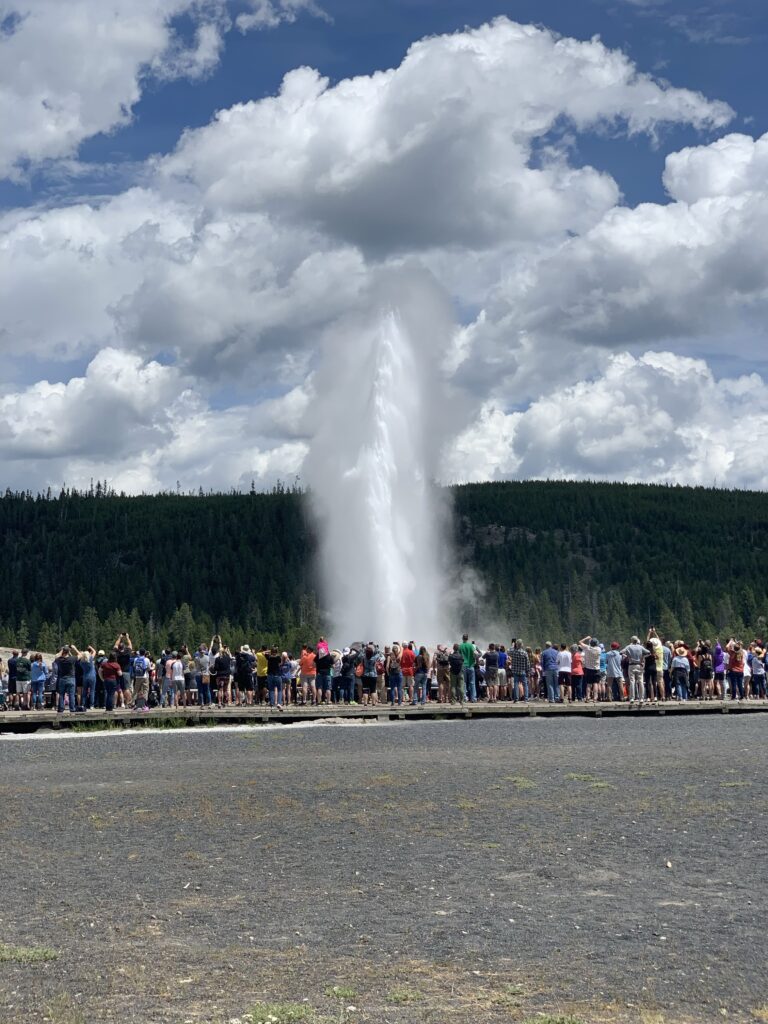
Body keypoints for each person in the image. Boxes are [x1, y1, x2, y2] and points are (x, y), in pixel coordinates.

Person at [620, 636, 652, 706]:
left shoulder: (628, 646)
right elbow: (649, 652)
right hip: (639, 665)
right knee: (640, 682)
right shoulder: (640, 647)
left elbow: (621, 652)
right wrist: (643, 657)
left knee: (632, 682)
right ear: (637, 640)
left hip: (631, 665)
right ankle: (641, 698)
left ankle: (632, 698)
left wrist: (627, 656)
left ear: (631, 640)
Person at [54, 644, 81, 713]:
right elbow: (80, 655)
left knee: (62, 694)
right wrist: (74, 648)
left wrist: (62, 650)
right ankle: (72, 709)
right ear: (68, 652)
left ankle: (61, 709)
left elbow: (56, 656)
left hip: (62, 678)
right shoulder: (71, 659)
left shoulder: (59, 660)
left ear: (63, 652)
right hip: (71, 678)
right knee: (71, 694)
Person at [458, 634, 477, 703]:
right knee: (472, 683)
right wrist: (474, 660)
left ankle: (465, 698)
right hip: (471, 665)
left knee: (464, 683)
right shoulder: (470, 645)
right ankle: (473, 698)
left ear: (462, 638)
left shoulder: (460, 646)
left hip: (463, 666)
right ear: (467, 639)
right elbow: (475, 653)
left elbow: (459, 656)